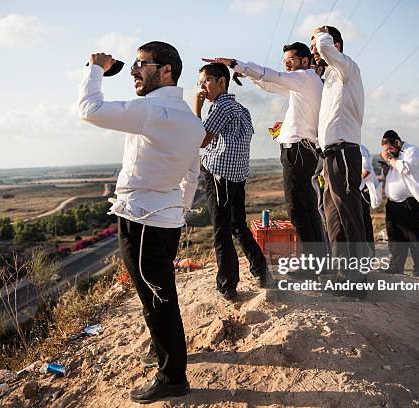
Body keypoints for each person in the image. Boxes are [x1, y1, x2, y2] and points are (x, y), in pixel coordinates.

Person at [78, 41, 204, 403]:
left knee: (156, 298)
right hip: (163, 219)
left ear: (166, 71)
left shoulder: (152, 110)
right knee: (160, 293)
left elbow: (90, 109)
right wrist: (176, 211)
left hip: (143, 220)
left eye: (141, 64)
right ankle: (166, 352)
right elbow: (191, 174)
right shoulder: (190, 121)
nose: (133, 70)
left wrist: (96, 67)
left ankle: (172, 376)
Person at [202, 42, 325, 259]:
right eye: (284, 60)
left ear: (305, 61)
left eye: (290, 60)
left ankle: (311, 264)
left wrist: (234, 64)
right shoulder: (306, 82)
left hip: (298, 151)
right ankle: (319, 261)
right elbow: (270, 85)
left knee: (298, 209)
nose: (286, 64)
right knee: (307, 207)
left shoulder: (304, 77)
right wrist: (247, 75)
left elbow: (272, 76)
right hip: (304, 151)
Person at [194, 62, 267, 302]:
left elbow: (200, 140)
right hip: (237, 175)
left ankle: (227, 285)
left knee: (221, 230)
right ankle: (261, 270)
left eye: (205, 81)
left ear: (221, 81)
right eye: (199, 84)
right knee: (238, 225)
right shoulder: (240, 109)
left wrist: (197, 106)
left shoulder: (219, 107)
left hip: (219, 175)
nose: (202, 87)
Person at [311, 26, 367, 285]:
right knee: (332, 216)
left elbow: (323, 46)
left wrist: (320, 33)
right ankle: (342, 273)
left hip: (344, 151)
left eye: (316, 43)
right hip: (330, 154)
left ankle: (356, 279)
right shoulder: (331, 78)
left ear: (337, 45)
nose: (314, 49)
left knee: (348, 214)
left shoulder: (347, 68)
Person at [380, 130, 419, 276]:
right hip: (392, 202)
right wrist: (386, 168)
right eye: (385, 150)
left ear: (397, 142)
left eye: (390, 148)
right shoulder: (393, 157)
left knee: (412, 235)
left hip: (409, 202)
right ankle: (396, 266)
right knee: (394, 236)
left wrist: (389, 159)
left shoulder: (413, 151)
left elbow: (406, 168)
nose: (388, 152)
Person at [360, 144, 382, 252]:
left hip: (360, 192)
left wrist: (352, 182)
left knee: (363, 225)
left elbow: (366, 170)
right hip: (359, 191)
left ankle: (367, 258)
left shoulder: (360, 148)